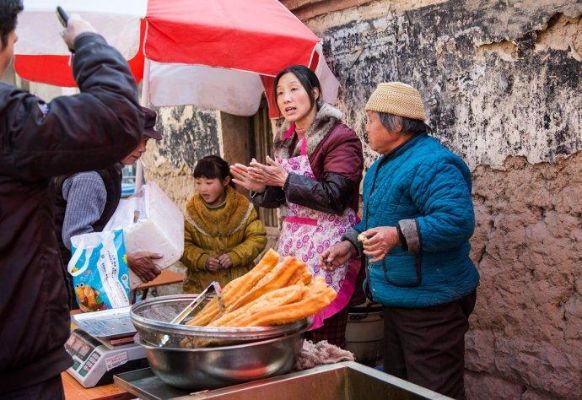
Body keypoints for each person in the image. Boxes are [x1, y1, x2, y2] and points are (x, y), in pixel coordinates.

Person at [0, 2, 143, 398]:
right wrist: (86, 41)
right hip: (16, 361)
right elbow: (117, 117)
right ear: (7, 44)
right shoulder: (10, 119)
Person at [320, 82, 480, 399]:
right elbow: (377, 221)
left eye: (370, 120)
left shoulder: (432, 163)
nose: (366, 128)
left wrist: (397, 235)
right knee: (401, 386)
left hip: (432, 304)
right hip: (397, 299)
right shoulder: (383, 166)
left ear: (395, 122)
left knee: (435, 389)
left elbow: (456, 220)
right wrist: (351, 244)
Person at [230, 65, 363, 348]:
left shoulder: (339, 137)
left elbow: (336, 196)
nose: (286, 99)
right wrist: (262, 189)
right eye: (279, 93)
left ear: (314, 93)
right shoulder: (285, 140)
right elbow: (285, 197)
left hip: (328, 250)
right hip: (293, 248)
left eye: (293, 90)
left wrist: (286, 179)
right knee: (292, 335)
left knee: (324, 340)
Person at [53, 106, 163, 308]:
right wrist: (124, 258)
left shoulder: (110, 167)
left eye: (145, 141)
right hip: (63, 277)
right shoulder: (90, 177)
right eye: (136, 140)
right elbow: (76, 238)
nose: (142, 148)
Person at [181, 155, 267, 293]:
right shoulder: (191, 212)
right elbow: (183, 245)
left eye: (209, 183)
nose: (203, 189)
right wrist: (202, 260)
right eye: (198, 183)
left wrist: (235, 255)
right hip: (201, 288)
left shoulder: (242, 207)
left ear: (226, 180)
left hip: (240, 286)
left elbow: (257, 238)